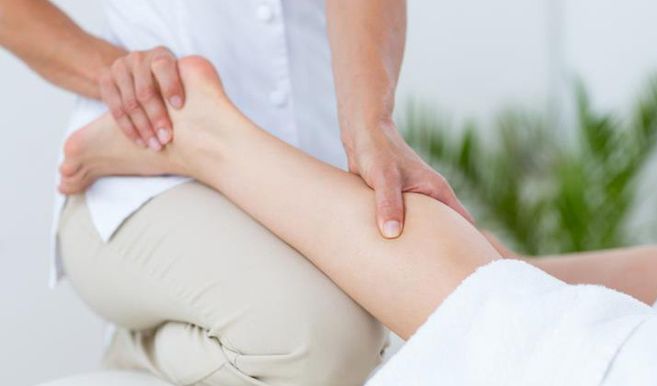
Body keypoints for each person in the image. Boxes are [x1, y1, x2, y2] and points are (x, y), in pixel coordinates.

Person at [61, 56, 657, 385]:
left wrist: (369, 120)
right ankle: (207, 136)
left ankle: (446, 277)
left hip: (300, 179)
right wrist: (132, 91)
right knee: (574, 342)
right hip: (135, 186)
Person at [0, 1, 471, 385]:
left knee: (463, 283)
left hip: (312, 159)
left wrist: (371, 123)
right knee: (324, 341)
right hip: (143, 161)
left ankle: (143, 344)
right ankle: (197, 135)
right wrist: (120, 81)